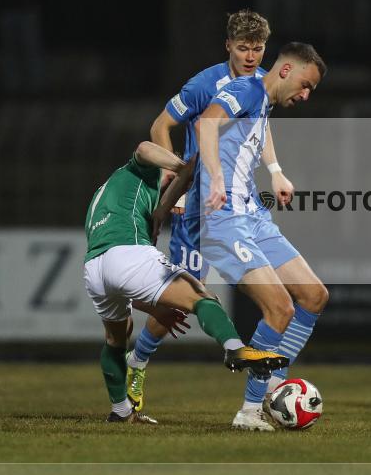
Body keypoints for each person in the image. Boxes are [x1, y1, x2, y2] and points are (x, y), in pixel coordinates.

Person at [124, 9, 274, 412]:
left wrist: (275, 170)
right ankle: (136, 361)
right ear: (228, 45)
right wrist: (172, 189)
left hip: (240, 204)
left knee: (275, 290)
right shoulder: (204, 84)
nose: (250, 56)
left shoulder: (262, 83)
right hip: (196, 206)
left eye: (257, 48)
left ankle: (264, 379)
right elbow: (160, 127)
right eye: (243, 47)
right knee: (181, 298)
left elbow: (262, 129)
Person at [83, 141, 289, 423]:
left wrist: (155, 308)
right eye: (172, 182)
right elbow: (144, 148)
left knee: (116, 339)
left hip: (95, 268)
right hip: (126, 254)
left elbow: (119, 276)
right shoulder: (141, 172)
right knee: (202, 297)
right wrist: (180, 170)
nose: (176, 190)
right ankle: (234, 348)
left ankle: (121, 413)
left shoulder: (108, 195)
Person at [193, 42, 329, 431]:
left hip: (253, 215)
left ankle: (274, 379)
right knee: (280, 307)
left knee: (314, 295)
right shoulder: (246, 89)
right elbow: (206, 123)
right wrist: (216, 177)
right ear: (286, 71)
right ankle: (251, 410)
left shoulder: (262, 99)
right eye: (306, 85)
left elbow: (258, 131)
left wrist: (275, 170)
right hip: (225, 219)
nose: (305, 95)